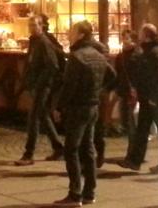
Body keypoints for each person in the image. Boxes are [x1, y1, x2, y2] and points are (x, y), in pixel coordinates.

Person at [54, 20, 114, 207]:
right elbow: (113, 77)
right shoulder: (98, 56)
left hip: (78, 107)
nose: (69, 34)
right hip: (92, 106)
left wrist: (59, 107)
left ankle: (75, 194)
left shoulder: (77, 57)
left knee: (71, 149)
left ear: (81, 35)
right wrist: (99, 91)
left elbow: (69, 86)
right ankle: (89, 192)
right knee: (88, 149)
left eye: (72, 31)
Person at [120, 23, 158, 174]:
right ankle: (134, 160)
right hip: (147, 98)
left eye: (142, 33)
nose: (139, 36)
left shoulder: (156, 53)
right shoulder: (149, 51)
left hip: (155, 99)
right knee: (142, 129)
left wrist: (154, 98)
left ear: (147, 36)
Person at [15, 16, 64, 165]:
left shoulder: (44, 42)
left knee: (33, 118)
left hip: (42, 86)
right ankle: (58, 147)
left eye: (34, 25)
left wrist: (39, 82)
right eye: (30, 25)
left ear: (41, 26)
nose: (31, 28)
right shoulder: (34, 41)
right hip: (37, 84)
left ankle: (28, 154)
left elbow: (52, 65)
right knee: (42, 115)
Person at [113, 28, 141, 161]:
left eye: (127, 38)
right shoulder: (120, 56)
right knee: (126, 122)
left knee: (131, 124)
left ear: (133, 40)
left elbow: (140, 75)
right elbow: (118, 74)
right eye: (123, 37)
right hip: (124, 92)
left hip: (134, 93)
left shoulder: (138, 55)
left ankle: (132, 154)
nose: (124, 40)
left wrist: (136, 89)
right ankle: (134, 151)